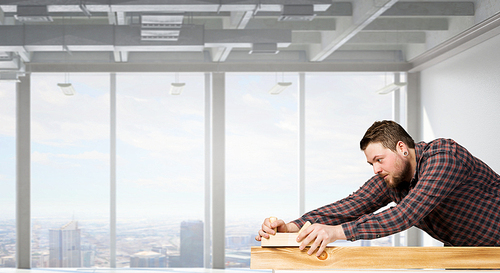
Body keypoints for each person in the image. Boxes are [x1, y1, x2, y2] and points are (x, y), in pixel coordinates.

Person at [256, 120, 500, 256]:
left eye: (379, 160)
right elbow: (349, 206)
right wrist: (290, 226)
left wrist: (335, 233)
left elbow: (405, 214)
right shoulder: (393, 178)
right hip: (467, 253)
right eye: (371, 163)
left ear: (403, 148)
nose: (375, 169)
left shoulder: (445, 157)